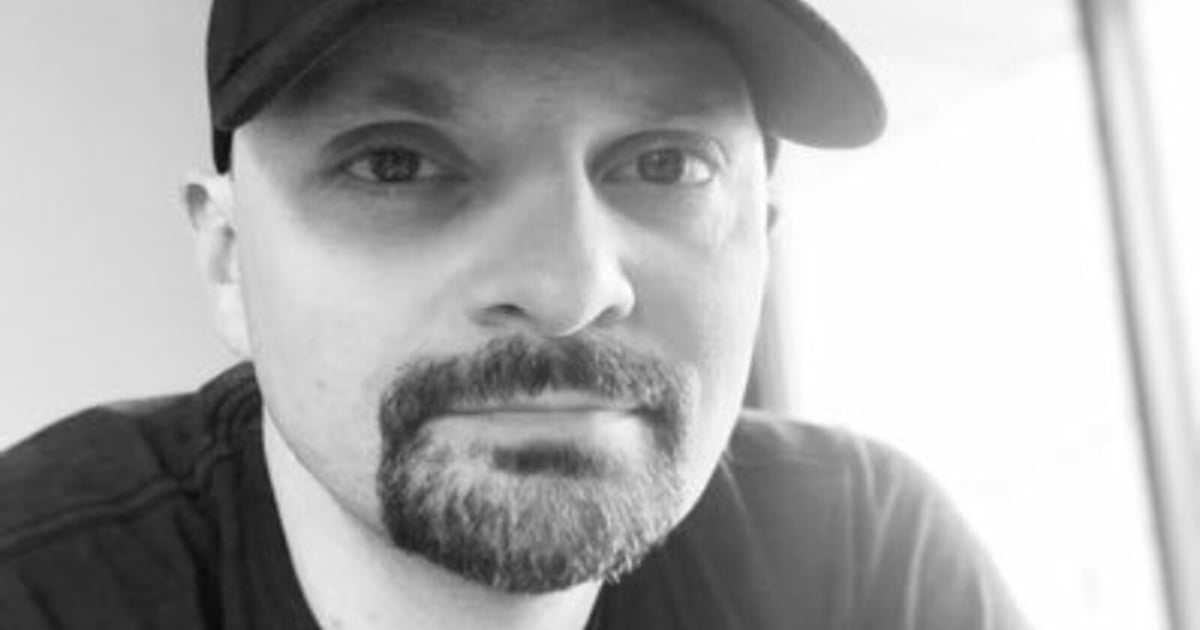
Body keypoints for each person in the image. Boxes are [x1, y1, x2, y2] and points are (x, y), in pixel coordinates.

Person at [0, 0, 1030, 628]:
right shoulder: (35, 586)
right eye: (395, 164)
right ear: (230, 260)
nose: (570, 290)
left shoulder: (860, 564)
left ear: (761, 234)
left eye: (666, 165)